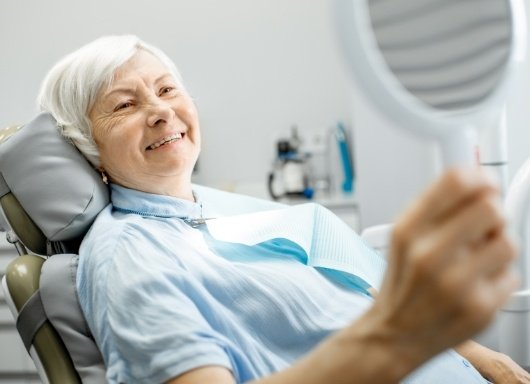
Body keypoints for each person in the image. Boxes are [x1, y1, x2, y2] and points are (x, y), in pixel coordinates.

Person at [37, 35, 530, 384]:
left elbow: (369, 295)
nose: (160, 110)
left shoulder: (217, 209)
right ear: (89, 149)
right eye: (124, 105)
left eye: (166, 89)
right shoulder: (128, 254)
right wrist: (394, 339)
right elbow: (394, 323)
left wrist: (488, 360)